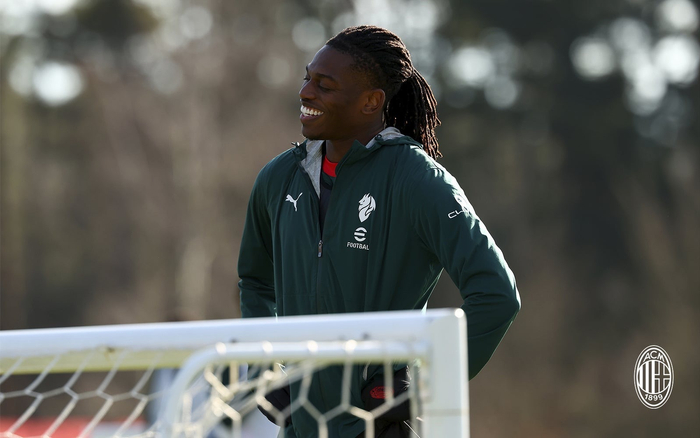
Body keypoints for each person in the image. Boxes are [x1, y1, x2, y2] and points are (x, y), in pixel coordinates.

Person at [238, 25, 521, 438]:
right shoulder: (277, 178)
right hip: (299, 429)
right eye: (307, 79)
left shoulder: (417, 180)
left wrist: (422, 384)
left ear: (371, 101)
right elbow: (256, 282)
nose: (305, 92)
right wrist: (264, 367)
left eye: (324, 85)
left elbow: (496, 294)